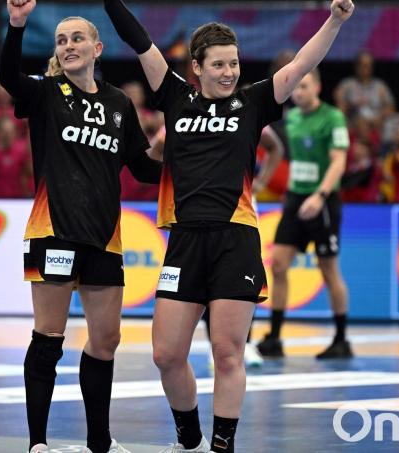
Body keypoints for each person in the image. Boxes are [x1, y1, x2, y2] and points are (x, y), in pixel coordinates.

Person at [103, 1, 354, 451]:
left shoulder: (253, 101)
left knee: (227, 352)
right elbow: (139, 41)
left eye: (233, 63)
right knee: (166, 354)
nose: (228, 73)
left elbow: (302, 63)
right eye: (218, 64)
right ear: (196, 67)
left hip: (235, 239)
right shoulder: (175, 96)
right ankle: (190, 440)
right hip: (185, 240)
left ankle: (223, 446)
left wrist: (334, 20)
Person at [0, 1, 162, 452]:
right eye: (61, 41)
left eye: (76, 38)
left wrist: (187, 163)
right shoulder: (46, 93)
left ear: (97, 48)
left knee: (106, 339)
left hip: (105, 237)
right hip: (52, 231)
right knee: (48, 337)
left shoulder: (119, 103)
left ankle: (99, 442)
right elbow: (9, 78)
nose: (68, 45)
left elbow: (141, 167)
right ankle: (38, 443)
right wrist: (17, 25)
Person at [255, 67, 353, 361]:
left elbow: (339, 162)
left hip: (323, 201)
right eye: (296, 87)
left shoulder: (333, 118)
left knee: (328, 269)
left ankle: (341, 340)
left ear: (318, 87)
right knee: (278, 265)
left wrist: (320, 195)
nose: (298, 92)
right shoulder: (293, 117)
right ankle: (274, 338)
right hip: (295, 199)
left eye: (305, 86)